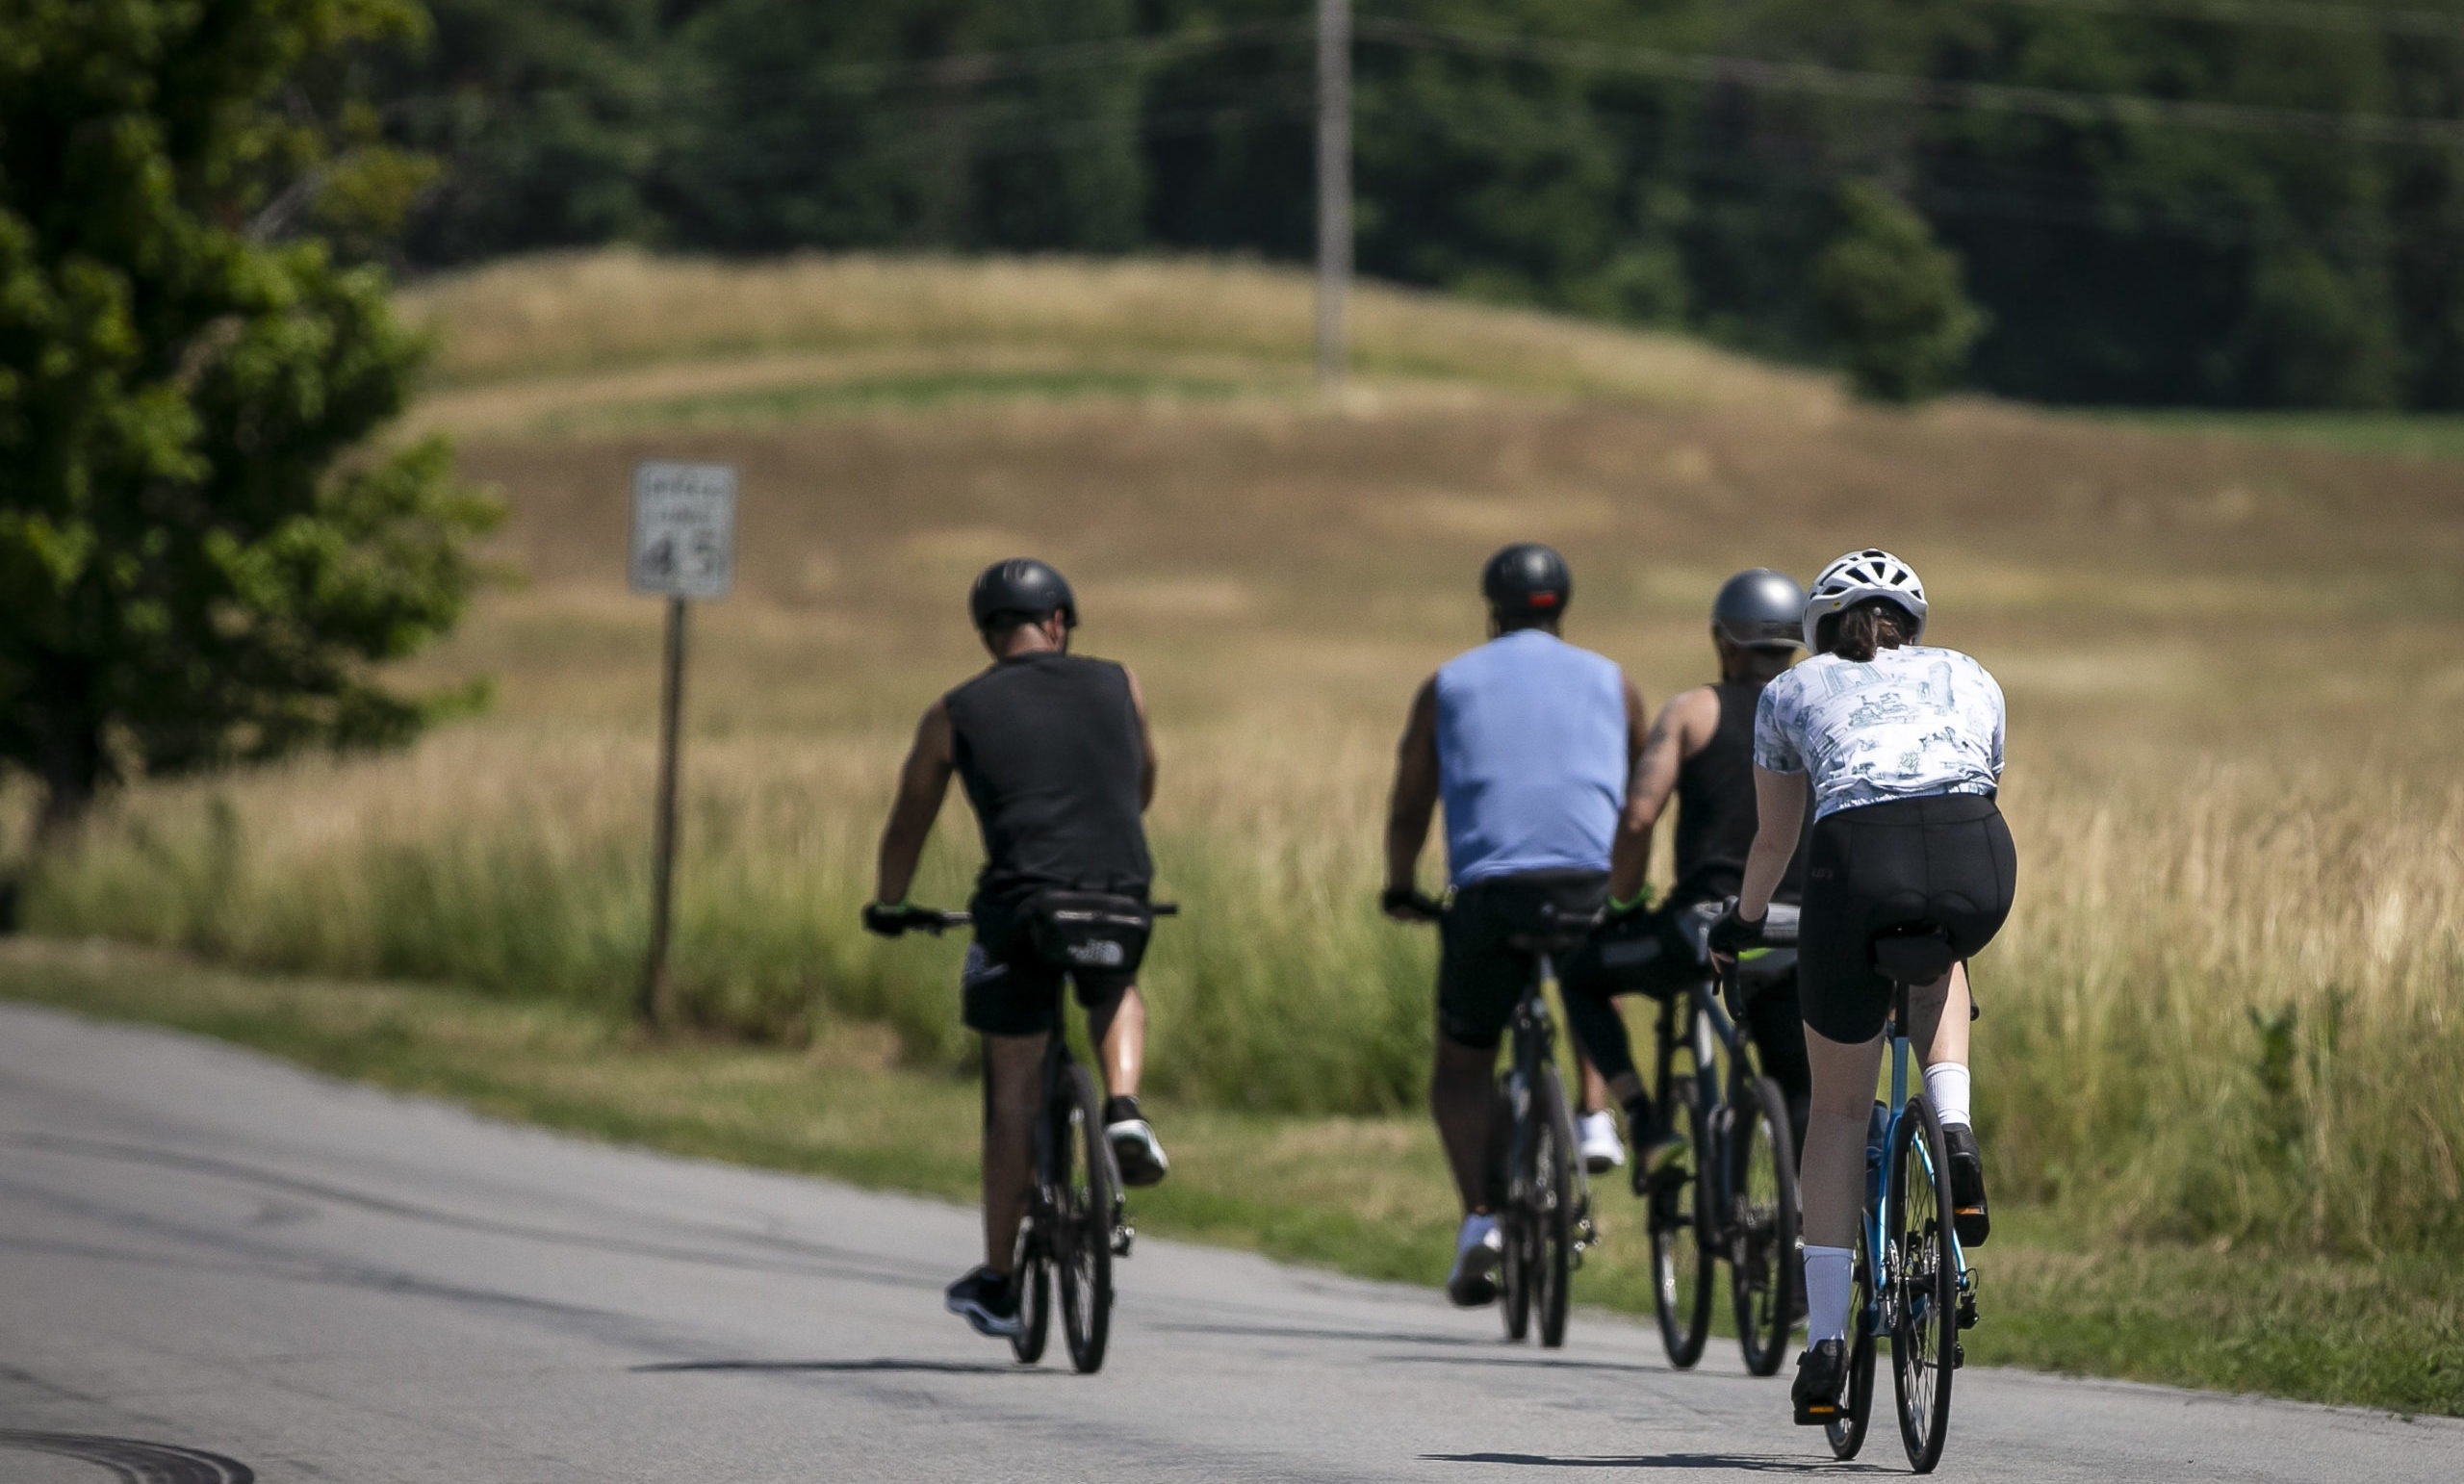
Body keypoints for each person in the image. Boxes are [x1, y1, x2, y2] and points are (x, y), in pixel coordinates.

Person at [1707, 549, 2014, 1425]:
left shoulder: (1789, 691)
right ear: (1914, 626)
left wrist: (1743, 920)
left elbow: (1773, 843)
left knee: (1839, 1113)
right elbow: (1982, 780)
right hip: (1977, 852)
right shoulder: (1970, 673)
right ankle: (1952, 1125)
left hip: (1855, 864)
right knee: (1944, 955)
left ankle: (1830, 1345)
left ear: (1819, 630)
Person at [862, 558, 1169, 1341]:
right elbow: (1143, 775)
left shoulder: (954, 711)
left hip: (1022, 906)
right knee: (1114, 981)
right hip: (1116, 889)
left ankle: (1000, 1281)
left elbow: (910, 819)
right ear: (1059, 622)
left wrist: (891, 904)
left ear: (988, 634)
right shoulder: (1121, 683)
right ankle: (1125, 1108)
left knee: (1011, 1089)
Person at [1381, 543, 1652, 1307]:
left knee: (1462, 1063)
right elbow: (1641, 789)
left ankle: (1480, 1221)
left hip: (1490, 897)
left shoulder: (1449, 682)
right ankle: (1596, 1119)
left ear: (1490, 605)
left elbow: (1410, 800)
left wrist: (1401, 886)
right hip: (1585, 886)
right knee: (1592, 982)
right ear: (1562, 604)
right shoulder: (1613, 680)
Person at [1561, 569, 1815, 1188]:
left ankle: (1645, 1121)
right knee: (1799, 1088)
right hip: (1804, 932)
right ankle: (1801, 1246)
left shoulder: (1693, 711)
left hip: (1708, 928)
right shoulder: (1818, 714)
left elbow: (1639, 815)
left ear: (1724, 642)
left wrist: (1622, 901)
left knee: (1580, 971)